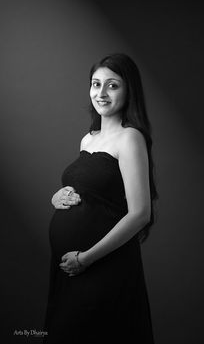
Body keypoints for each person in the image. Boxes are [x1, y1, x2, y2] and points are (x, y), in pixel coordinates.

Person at [43, 53, 158, 344]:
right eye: (96, 84)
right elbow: (93, 190)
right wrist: (58, 196)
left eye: (112, 85)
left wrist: (86, 258)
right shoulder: (88, 139)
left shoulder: (130, 138)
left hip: (103, 266)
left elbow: (140, 213)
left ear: (128, 89)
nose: (101, 93)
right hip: (71, 269)